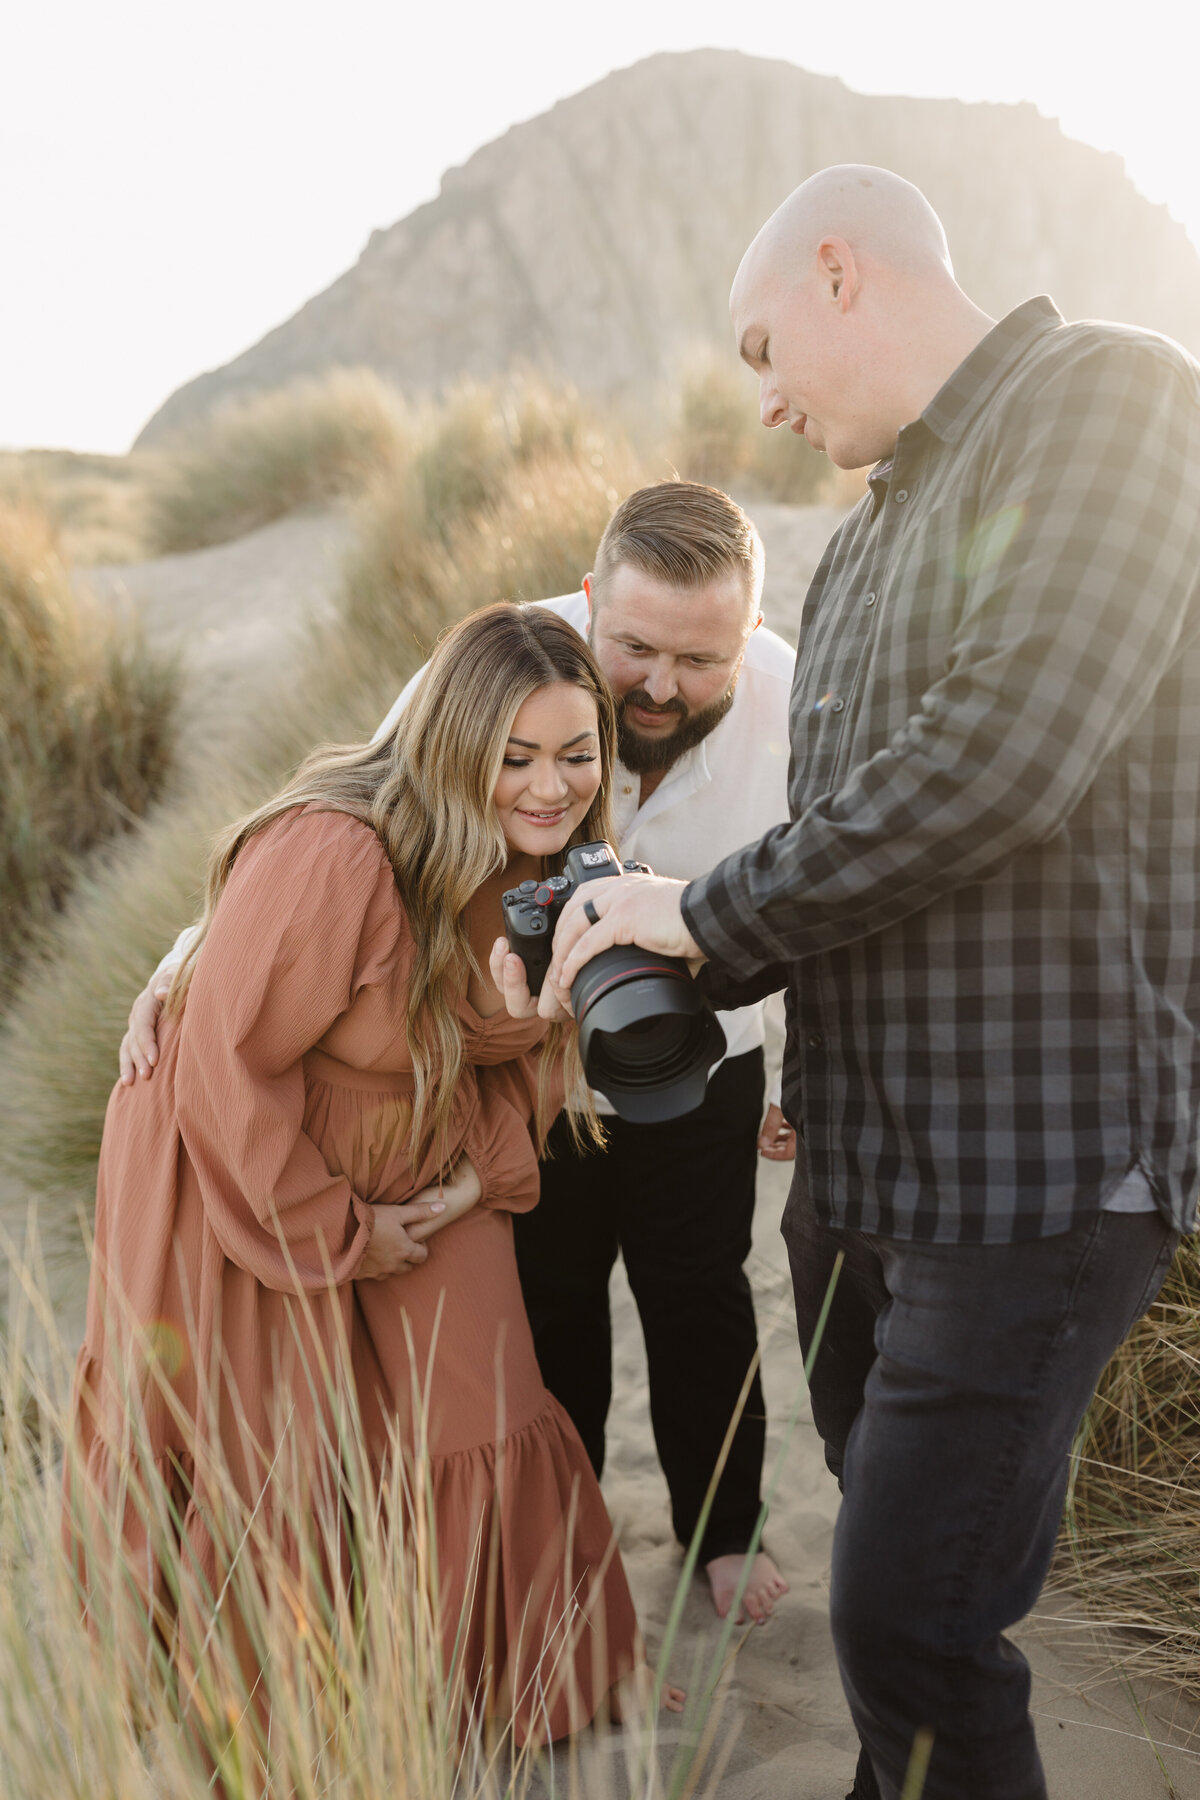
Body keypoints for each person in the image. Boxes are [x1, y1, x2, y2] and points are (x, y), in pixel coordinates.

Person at [524, 167, 1200, 1798]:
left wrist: (697, 921)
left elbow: (1001, 760)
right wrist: (809, 1106)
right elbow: (858, 835)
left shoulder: (1114, 401)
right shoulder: (877, 531)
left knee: (909, 1630)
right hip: (867, 1185)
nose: (762, 401)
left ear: (843, 272)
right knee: (909, 1618)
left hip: (1036, 1172)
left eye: (765, 346)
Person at [119, 480, 798, 1624]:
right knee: (551, 1303)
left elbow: (828, 888)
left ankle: (722, 1535)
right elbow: (360, 805)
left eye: (704, 660)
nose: (664, 686)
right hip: (523, 1054)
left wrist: (805, 1064)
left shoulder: (797, 696)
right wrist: (194, 955)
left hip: (706, 1047)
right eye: (634, 649)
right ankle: (560, 1566)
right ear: (590, 604)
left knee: (699, 1291)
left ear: (752, 637)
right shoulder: (499, 669)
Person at [66, 603, 654, 1749]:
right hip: (236, 1166)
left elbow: (505, 1055)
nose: (549, 786)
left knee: (485, 1400)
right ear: (451, 747)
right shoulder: (333, 855)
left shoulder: (550, 867)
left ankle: (509, 1692)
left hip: (418, 1149)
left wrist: (474, 1178)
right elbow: (227, 1071)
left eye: (576, 755)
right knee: (272, 1442)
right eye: (515, 757)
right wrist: (335, 1233)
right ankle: (257, 1714)